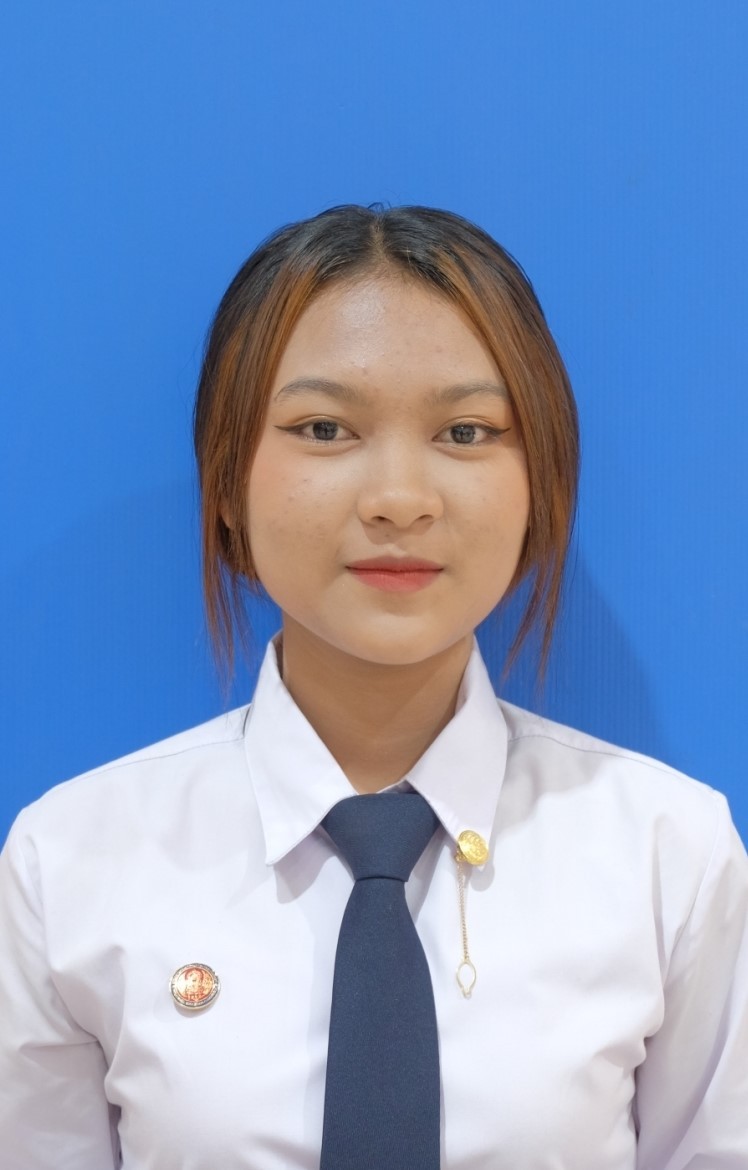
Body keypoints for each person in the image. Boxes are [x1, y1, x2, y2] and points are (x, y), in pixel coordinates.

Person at [0, 204, 746, 1169]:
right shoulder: (71, 861)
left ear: (543, 483)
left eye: (467, 432)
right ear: (226, 480)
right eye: (325, 428)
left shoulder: (667, 855)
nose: (399, 498)